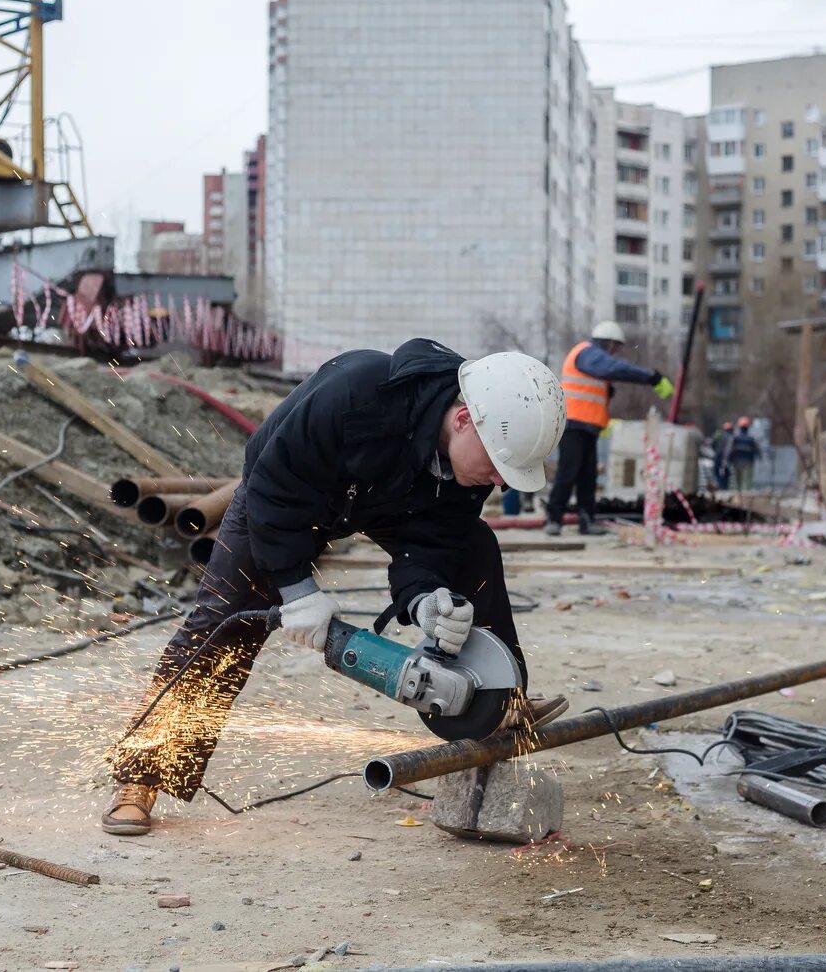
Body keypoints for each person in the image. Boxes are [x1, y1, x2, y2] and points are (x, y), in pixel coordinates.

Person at [102, 339, 570, 836]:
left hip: (385, 499)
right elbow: (271, 489)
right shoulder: (357, 396)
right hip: (282, 493)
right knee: (223, 621)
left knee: (475, 548)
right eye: (498, 462)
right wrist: (295, 588)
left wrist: (427, 597)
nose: (500, 480)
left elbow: (437, 540)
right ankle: (142, 774)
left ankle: (503, 700)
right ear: (462, 420)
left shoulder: (468, 468)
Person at [545, 321, 674, 536]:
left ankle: (587, 520)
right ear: (609, 343)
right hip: (573, 424)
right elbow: (615, 368)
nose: (616, 353)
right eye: (616, 347)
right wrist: (650, 377)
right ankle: (554, 518)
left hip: (587, 427)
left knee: (588, 476)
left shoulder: (592, 358)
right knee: (568, 473)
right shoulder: (588, 354)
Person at [729, 416, 761, 492]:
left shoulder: (735, 438)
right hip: (748, 461)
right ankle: (746, 497)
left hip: (737, 461)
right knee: (747, 481)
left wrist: (729, 459)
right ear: (748, 427)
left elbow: (730, 449)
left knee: (737, 481)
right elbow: (756, 449)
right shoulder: (751, 438)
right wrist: (760, 457)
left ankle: (737, 497)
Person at [711, 420, 734, 490]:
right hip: (726, 457)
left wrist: (715, 450)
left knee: (717, 472)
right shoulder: (730, 436)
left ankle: (719, 486)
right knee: (725, 473)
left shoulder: (718, 433)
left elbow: (712, 442)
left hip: (717, 456)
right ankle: (723, 487)